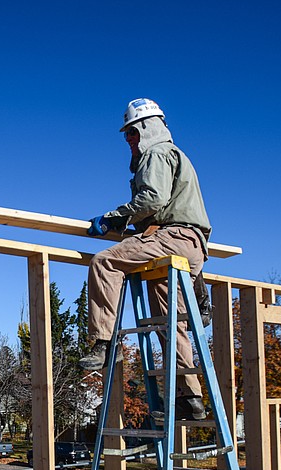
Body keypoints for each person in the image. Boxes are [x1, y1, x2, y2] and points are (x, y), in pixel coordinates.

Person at [80, 98, 212, 420]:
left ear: (148, 128)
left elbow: (152, 198)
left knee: (104, 262)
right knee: (170, 324)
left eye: (132, 134)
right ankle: (190, 399)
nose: (129, 141)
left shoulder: (156, 153)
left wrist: (114, 218)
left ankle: (103, 345)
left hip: (173, 239)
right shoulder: (176, 155)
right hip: (189, 245)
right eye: (127, 136)